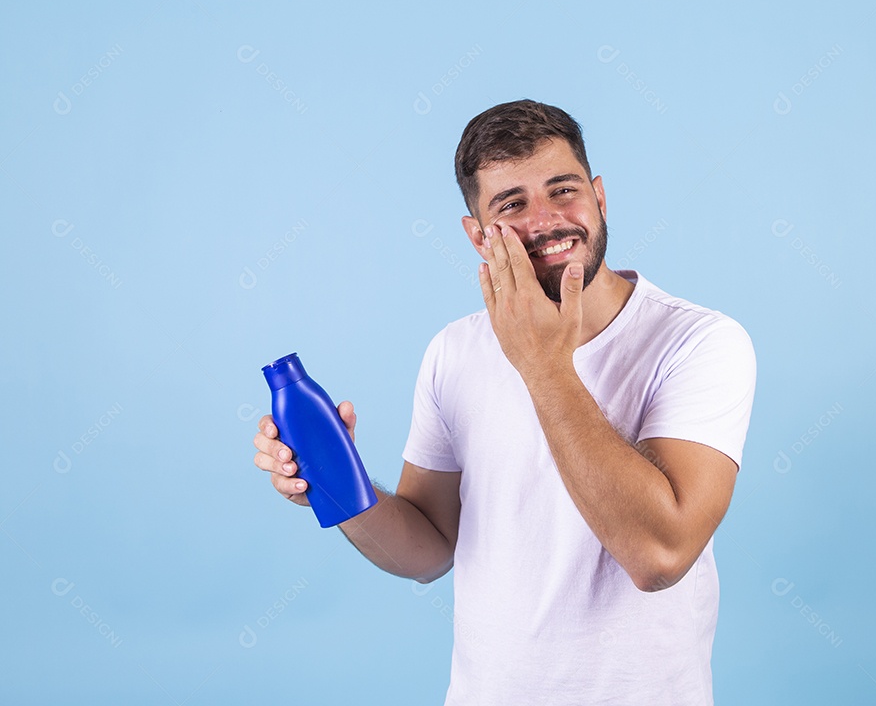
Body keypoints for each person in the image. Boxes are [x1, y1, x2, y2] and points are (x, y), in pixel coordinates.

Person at [253, 99, 756, 705]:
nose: (545, 221)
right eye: (511, 204)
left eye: (563, 190)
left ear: (599, 197)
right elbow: (429, 550)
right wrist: (339, 488)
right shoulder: (454, 351)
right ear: (476, 235)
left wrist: (541, 362)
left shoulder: (698, 342)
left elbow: (660, 555)